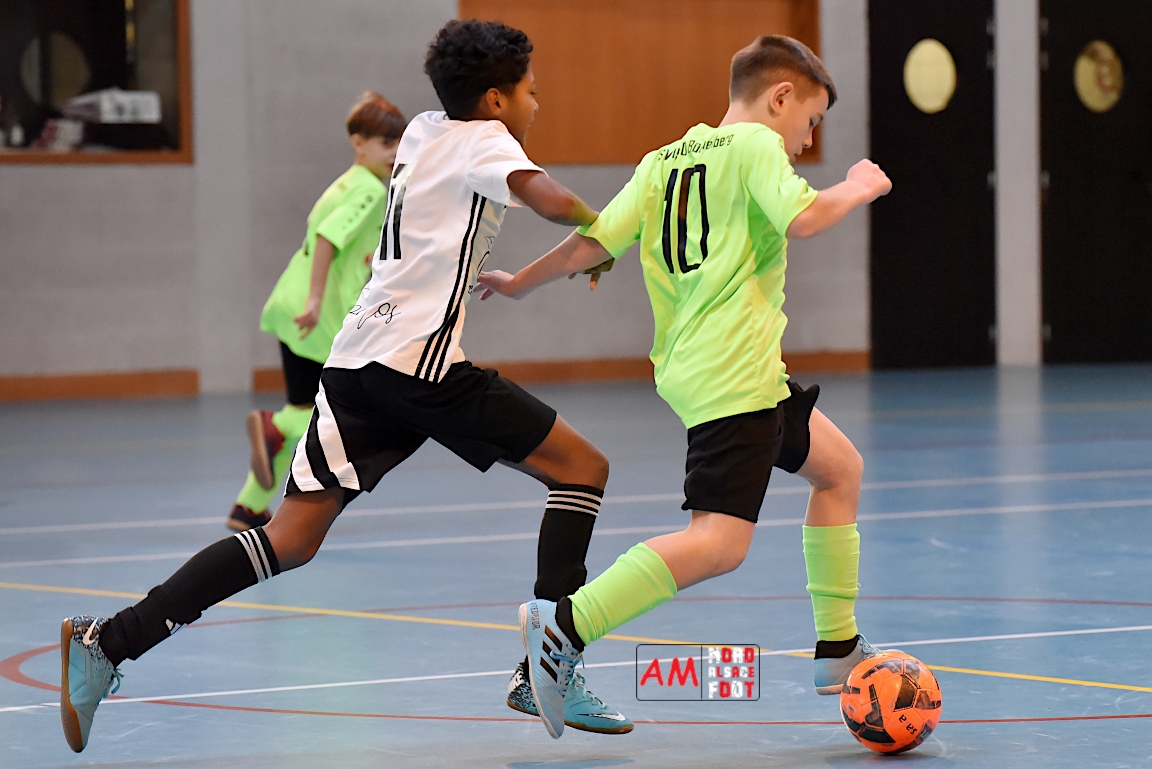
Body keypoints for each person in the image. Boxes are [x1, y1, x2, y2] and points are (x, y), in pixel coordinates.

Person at [57, 20, 632, 754]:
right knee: (582, 469)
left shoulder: (422, 130)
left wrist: (523, 274)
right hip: (419, 367)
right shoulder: (489, 140)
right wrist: (602, 231)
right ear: (495, 99)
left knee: (289, 537)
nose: (537, 104)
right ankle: (548, 664)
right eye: (531, 92)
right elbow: (550, 199)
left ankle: (107, 642)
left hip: (356, 360)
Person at [476, 34, 893, 738]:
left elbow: (592, 243)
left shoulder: (662, 161)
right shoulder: (756, 145)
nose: (806, 139)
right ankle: (565, 625)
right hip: (735, 374)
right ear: (780, 98)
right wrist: (859, 185)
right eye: (811, 120)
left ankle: (838, 648)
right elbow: (805, 218)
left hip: (726, 371)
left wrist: (520, 282)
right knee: (719, 543)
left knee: (839, 469)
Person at [228, 91, 407, 532]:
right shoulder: (370, 191)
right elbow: (327, 239)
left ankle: (249, 507)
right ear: (358, 143)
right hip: (318, 314)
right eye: (387, 143)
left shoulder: (347, 182)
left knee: (305, 404)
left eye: (400, 143)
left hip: (293, 303)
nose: (395, 152)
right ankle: (273, 428)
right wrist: (314, 302)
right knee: (322, 414)